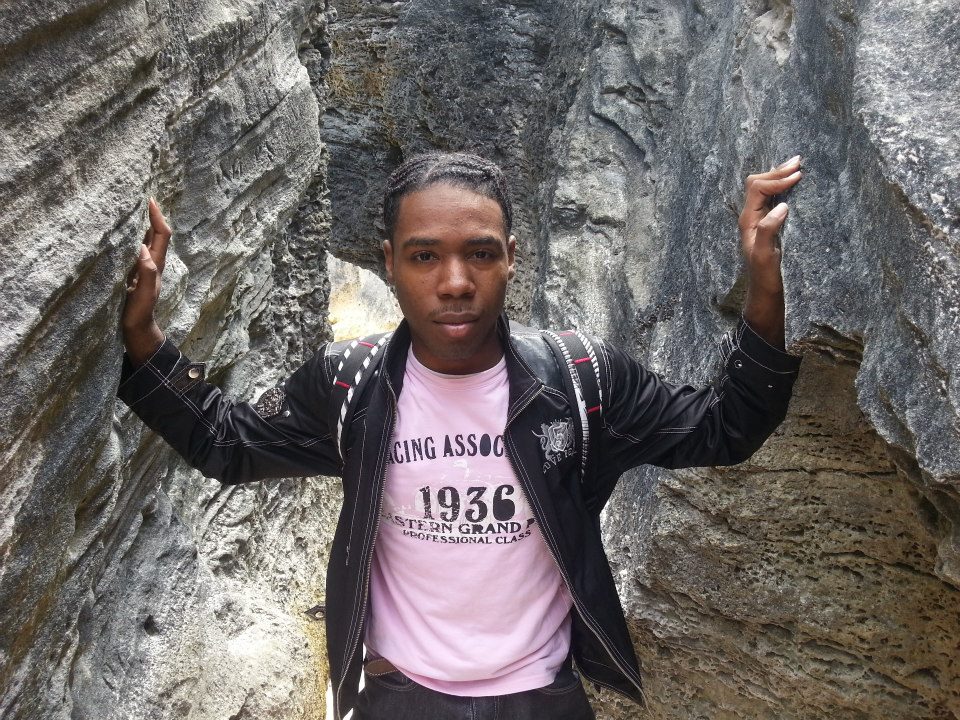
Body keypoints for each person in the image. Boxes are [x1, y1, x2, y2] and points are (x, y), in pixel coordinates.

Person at [118, 152, 804, 720]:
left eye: (479, 254)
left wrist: (763, 284)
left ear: (511, 258)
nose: (454, 283)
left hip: (541, 697)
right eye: (424, 256)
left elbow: (726, 428)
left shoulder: (579, 380)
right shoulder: (350, 387)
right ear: (389, 262)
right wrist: (144, 336)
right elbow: (228, 445)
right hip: (399, 695)